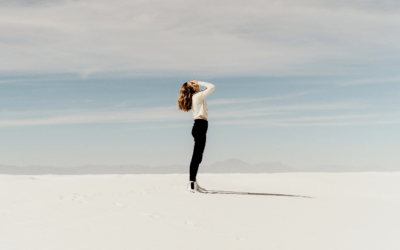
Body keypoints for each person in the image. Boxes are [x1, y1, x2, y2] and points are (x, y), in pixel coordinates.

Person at [177, 79, 216, 193]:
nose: (195, 84)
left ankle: (194, 182)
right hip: (200, 126)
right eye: (192, 84)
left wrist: (197, 85)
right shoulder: (197, 96)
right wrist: (199, 82)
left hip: (200, 126)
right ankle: (191, 184)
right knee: (196, 157)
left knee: (198, 157)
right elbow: (212, 86)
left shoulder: (197, 96)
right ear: (191, 88)